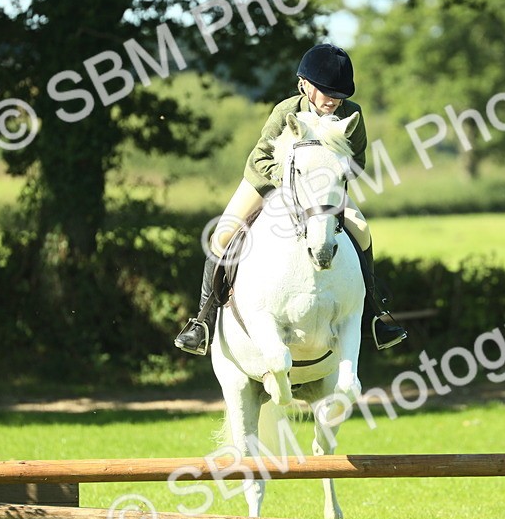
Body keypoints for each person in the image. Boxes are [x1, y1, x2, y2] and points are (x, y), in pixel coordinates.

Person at [174, 43, 408, 355]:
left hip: (322, 190)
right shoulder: (286, 112)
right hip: (266, 182)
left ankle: (372, 315)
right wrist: (292, 181)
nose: (335, 100)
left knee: (362, 230)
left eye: (340, 94)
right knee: (223, 235)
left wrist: (325, 176)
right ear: (305, 85)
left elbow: (358, 161)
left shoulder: (352, 114)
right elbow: (260, 160)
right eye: (327, 92)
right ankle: (203, 320)